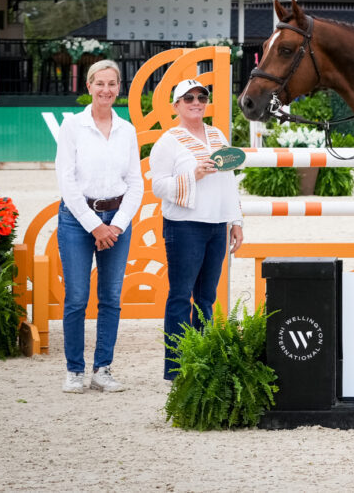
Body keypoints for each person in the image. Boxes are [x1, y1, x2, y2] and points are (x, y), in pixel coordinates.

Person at [55, 59, 143, 394]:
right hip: (78, 220)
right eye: (100, 83)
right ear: (89, 86)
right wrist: (95, 226)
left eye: (112, 83)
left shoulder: (127, 130)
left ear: (119, 88)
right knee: (77, 298)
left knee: (111, 298)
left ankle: (102, 369)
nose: (106, 89)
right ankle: (74, 371)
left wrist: (116, 226)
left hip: (117, 221)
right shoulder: (72, 127)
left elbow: (135, 183)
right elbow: (67, 181)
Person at [149, 78, 244, 380]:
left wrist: (236, 220)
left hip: (217, 225)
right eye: (188, 98)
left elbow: (229, 180)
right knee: (180, 296)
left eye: (201, 97)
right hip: (184, 226)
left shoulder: (217, 135)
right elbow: (158, 185)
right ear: (176, 105)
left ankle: (201, 363)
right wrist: (193, 175)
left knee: (206, 298)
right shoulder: (168, 142)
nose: (196, 103)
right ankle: (177, 369)